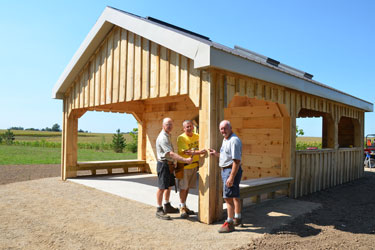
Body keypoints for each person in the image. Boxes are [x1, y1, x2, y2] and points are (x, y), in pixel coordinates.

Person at [209, 120, 243, 233]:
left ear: (230, 127)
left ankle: (229, 223)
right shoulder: (226, 139)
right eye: (221, 129)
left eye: (225, 128)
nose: (223, 131)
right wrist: (216, 154)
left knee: (227, 198)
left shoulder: (234, 140)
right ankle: (237, 217)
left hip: (230, 170)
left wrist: (231, 177)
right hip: (228, 169)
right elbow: (227, 155)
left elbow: (236, 161)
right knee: (234, 195)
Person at [155, 117, 193, 220]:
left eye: (171, 124)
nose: (170, 126)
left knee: (168, 186)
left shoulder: (167, 135)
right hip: (163, 164)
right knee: (162, 187)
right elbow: (170, 153)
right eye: (168, 124)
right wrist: (184, 160)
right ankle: (159, 209)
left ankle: (167, 205)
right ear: (163, 125)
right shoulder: (163, 137)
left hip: (169, 164)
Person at [176, 120, 206, 218]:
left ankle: (184, 205)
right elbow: (187, 152)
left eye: (190, 126)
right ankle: (181, 207)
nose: (189, 128)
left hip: (193, 166)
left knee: (187, 187)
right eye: (187, 127)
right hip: (184, 166)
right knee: (183, 187)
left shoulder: (197, 136)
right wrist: (200, 152)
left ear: (193, 127)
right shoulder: (181, 138)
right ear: (183, 128)